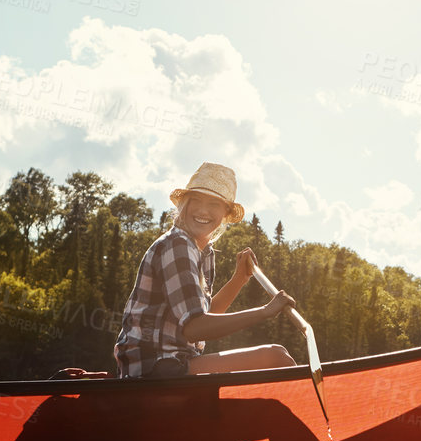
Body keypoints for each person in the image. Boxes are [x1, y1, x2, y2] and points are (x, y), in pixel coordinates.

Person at [114, 162, 298, 378]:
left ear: (226, 213)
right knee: (275, 358)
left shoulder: (203, 251)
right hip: (154, 365)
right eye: (196, 201)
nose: (203, 210)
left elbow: (206, 315)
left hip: (175, 361)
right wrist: (264, 312)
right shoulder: (177, 244)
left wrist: (239, 279)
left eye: (214, 204)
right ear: (184, 204)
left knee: (280, 354)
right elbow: (194, 328)